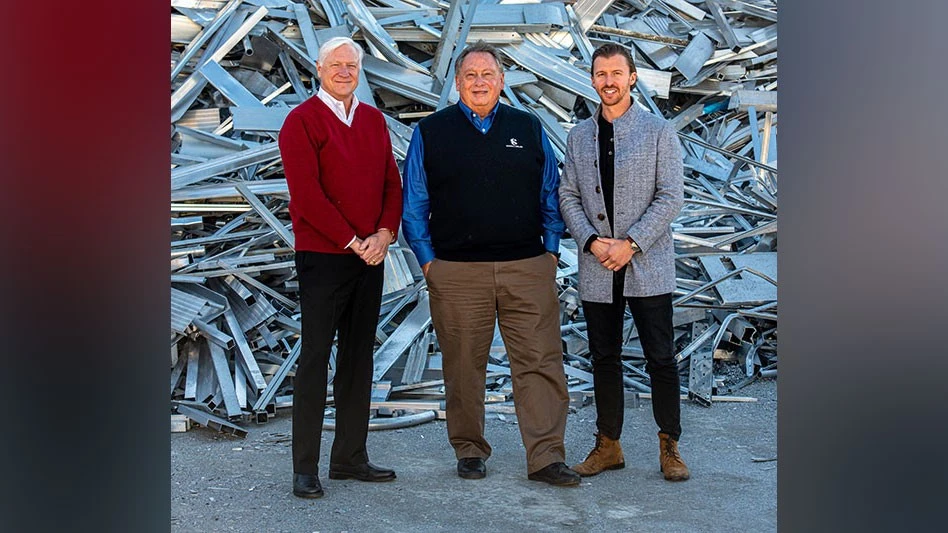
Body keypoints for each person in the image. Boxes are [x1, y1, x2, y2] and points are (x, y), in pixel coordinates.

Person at [402, 41, 580, 486]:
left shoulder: (529, 126)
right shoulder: (431, 132)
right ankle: (469, 448)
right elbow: (414, 202)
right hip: (457, 272)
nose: (479, 82)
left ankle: (545, 457)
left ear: (501, 81)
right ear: (456, 83)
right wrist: (429, 264)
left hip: (526, 267)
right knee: (463, 363)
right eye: (470, 75)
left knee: (540, 361)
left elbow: (550, 193)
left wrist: (551, 251)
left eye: (488, 74)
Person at [278, 36, 403, 499]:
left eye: (352, 65)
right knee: (315, 358)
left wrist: (385, 235)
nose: (345, 71)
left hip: (369, 258)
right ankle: (305, 467)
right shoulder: (301, 122)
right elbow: (306, 196)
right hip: (325, 258)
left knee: (357, 358)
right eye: (337, 64)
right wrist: (353, 240)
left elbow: (393, 182)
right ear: (319, 68)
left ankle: (350, 457)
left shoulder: (372, 120)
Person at [558, 43, 689, 481]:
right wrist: (593, 242)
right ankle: (608, 444)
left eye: (617, 73)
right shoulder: (579, 136)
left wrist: (630, 244)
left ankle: (669, 445)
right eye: (601, 74)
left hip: (646, 263)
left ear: (632, 77)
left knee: (660, 357)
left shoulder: (657, 131)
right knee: (604, 357)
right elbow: (568, 195)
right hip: (598, 265)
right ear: (592, 80)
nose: (609, 81)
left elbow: (671, 196)